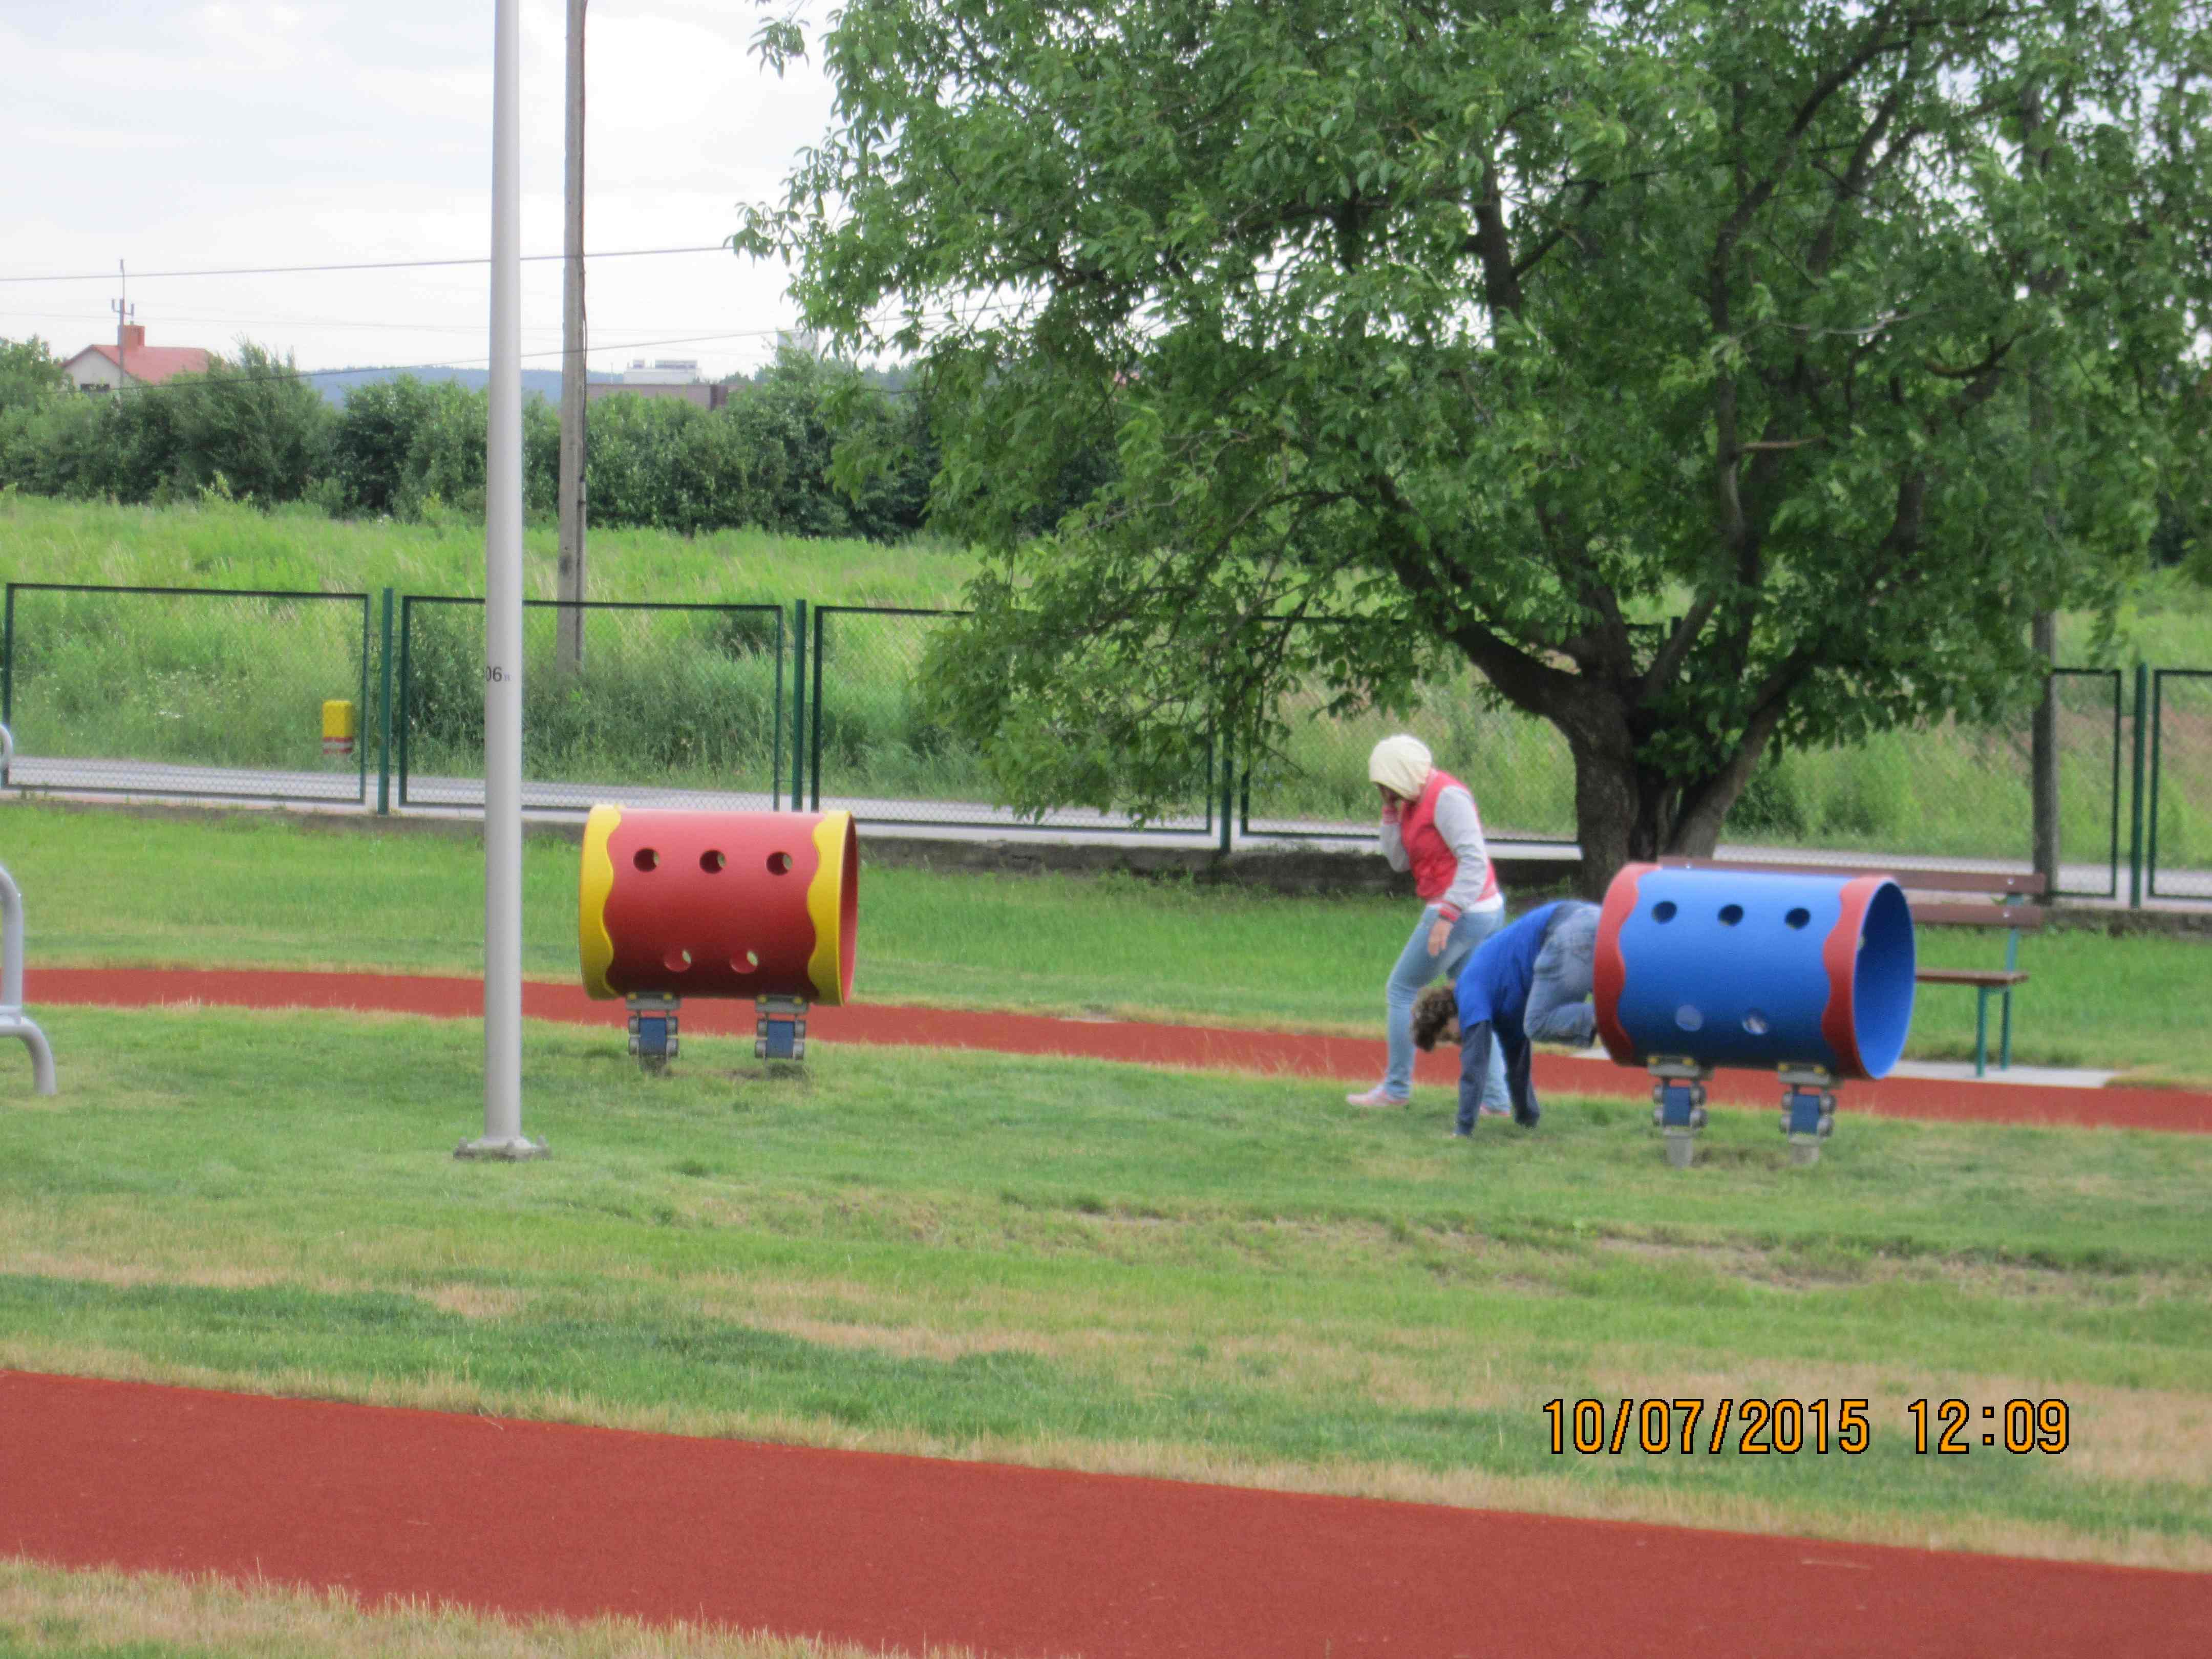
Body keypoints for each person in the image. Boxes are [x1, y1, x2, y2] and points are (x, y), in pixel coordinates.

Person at [1346, 733, 1511, 1114]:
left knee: (1401, 990)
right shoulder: (1411, 801)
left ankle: (1396, 1090)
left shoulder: (1447, 798)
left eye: (1386, 783)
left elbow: (1474, 861)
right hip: (1474, 910)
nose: (1383, 790)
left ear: (1403, 773)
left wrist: (1447, 916)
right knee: (1472, 1002)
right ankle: (1497, 1100)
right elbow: (1399, 861)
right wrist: (1390, 813)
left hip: (1465, 910)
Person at [1411, 899, 1602, 1136]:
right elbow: (1517, 1066)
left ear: (1447, 1013)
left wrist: (1463, 1129)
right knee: (1546, 1020)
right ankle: (1616, 1015)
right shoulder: (1501, 1004)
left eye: (1447, 1035)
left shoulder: (1469, 992)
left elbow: (1475, 1067)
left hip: (1568, 931)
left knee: (1538, 1023)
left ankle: (1606, 1016)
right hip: (1595, 921)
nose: (1456, 1041)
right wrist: (1527, 1118)